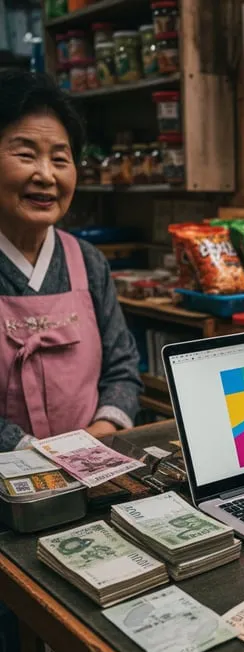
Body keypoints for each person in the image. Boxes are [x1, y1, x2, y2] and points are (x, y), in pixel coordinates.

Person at [0, 70, 141, 450]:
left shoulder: (88, 262)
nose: (46, 175)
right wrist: (33, 452)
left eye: (60, 159)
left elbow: (123, 369)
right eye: (26, 154)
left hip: (91, 464)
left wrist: (100, 433)